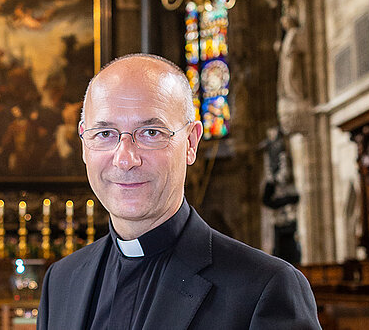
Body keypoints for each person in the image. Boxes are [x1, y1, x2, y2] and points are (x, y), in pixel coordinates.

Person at [37, 54, 319, 329]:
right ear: (84, 144)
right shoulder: (61, 282)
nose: (125, 159)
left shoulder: (264, 288)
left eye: (150, 133)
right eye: (105, 134)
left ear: (191, 143)